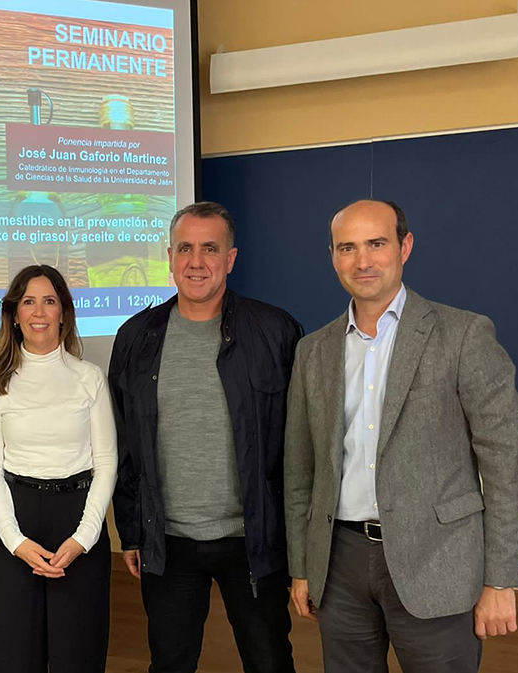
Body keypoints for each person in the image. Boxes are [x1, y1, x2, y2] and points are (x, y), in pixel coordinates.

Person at [284, 200, 518, 673]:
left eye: (376, 244)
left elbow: (508, 464)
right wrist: (302, 566)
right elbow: (301, 471)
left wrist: (501, 580)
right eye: (347, 248)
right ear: (333, 256)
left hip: (437, 560)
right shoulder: (312, 351)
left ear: (405, 246)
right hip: (339, 565)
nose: (362, 261)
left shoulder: (463, 335)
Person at [109, 201, 302, 673]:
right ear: (169, 256)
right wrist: (132, 532)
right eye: (186, 248)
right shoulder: (136, 337)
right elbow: (125, 445)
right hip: (168, 541)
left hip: (253, 539)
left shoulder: (275, 331)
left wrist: (298, 543)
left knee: (271, 662)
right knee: (170, 664)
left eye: (210, 249)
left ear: (231, 259)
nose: (197, 261)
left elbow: (301, 446)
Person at [0, 265, 117, 673]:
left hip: (77, 519)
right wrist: (14, 539)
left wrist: (85, 537)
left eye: (49, 301)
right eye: (28, 301)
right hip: (14, 521)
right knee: (13, 653)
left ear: (63, 313)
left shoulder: (88, 378)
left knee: (79, 651)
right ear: (15, 314)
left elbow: (106, 461)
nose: (39, 311)